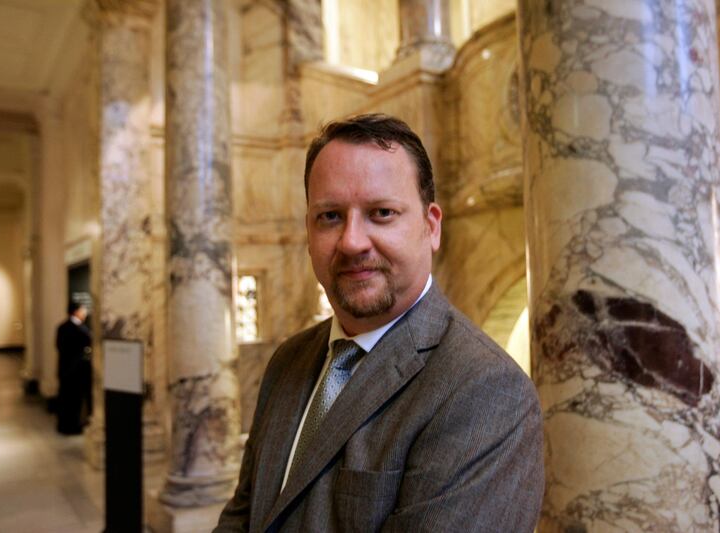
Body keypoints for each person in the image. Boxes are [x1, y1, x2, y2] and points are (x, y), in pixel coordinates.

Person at [216, 114, 544, 531]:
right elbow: (243, 516)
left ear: (430, 226)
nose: (352, 242)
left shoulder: (488, 392)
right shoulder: (288, 360)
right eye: (330, 216)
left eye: (382, 212)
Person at [55, 301, 92, 435]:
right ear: (76, 311)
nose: (85, 313)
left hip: (65, 370)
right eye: (83, 310)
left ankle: (64, 425)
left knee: (66, 399)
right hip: (76, 371)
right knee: (72, 401)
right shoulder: (80, 329)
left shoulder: (62, 327)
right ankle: (71, 426)